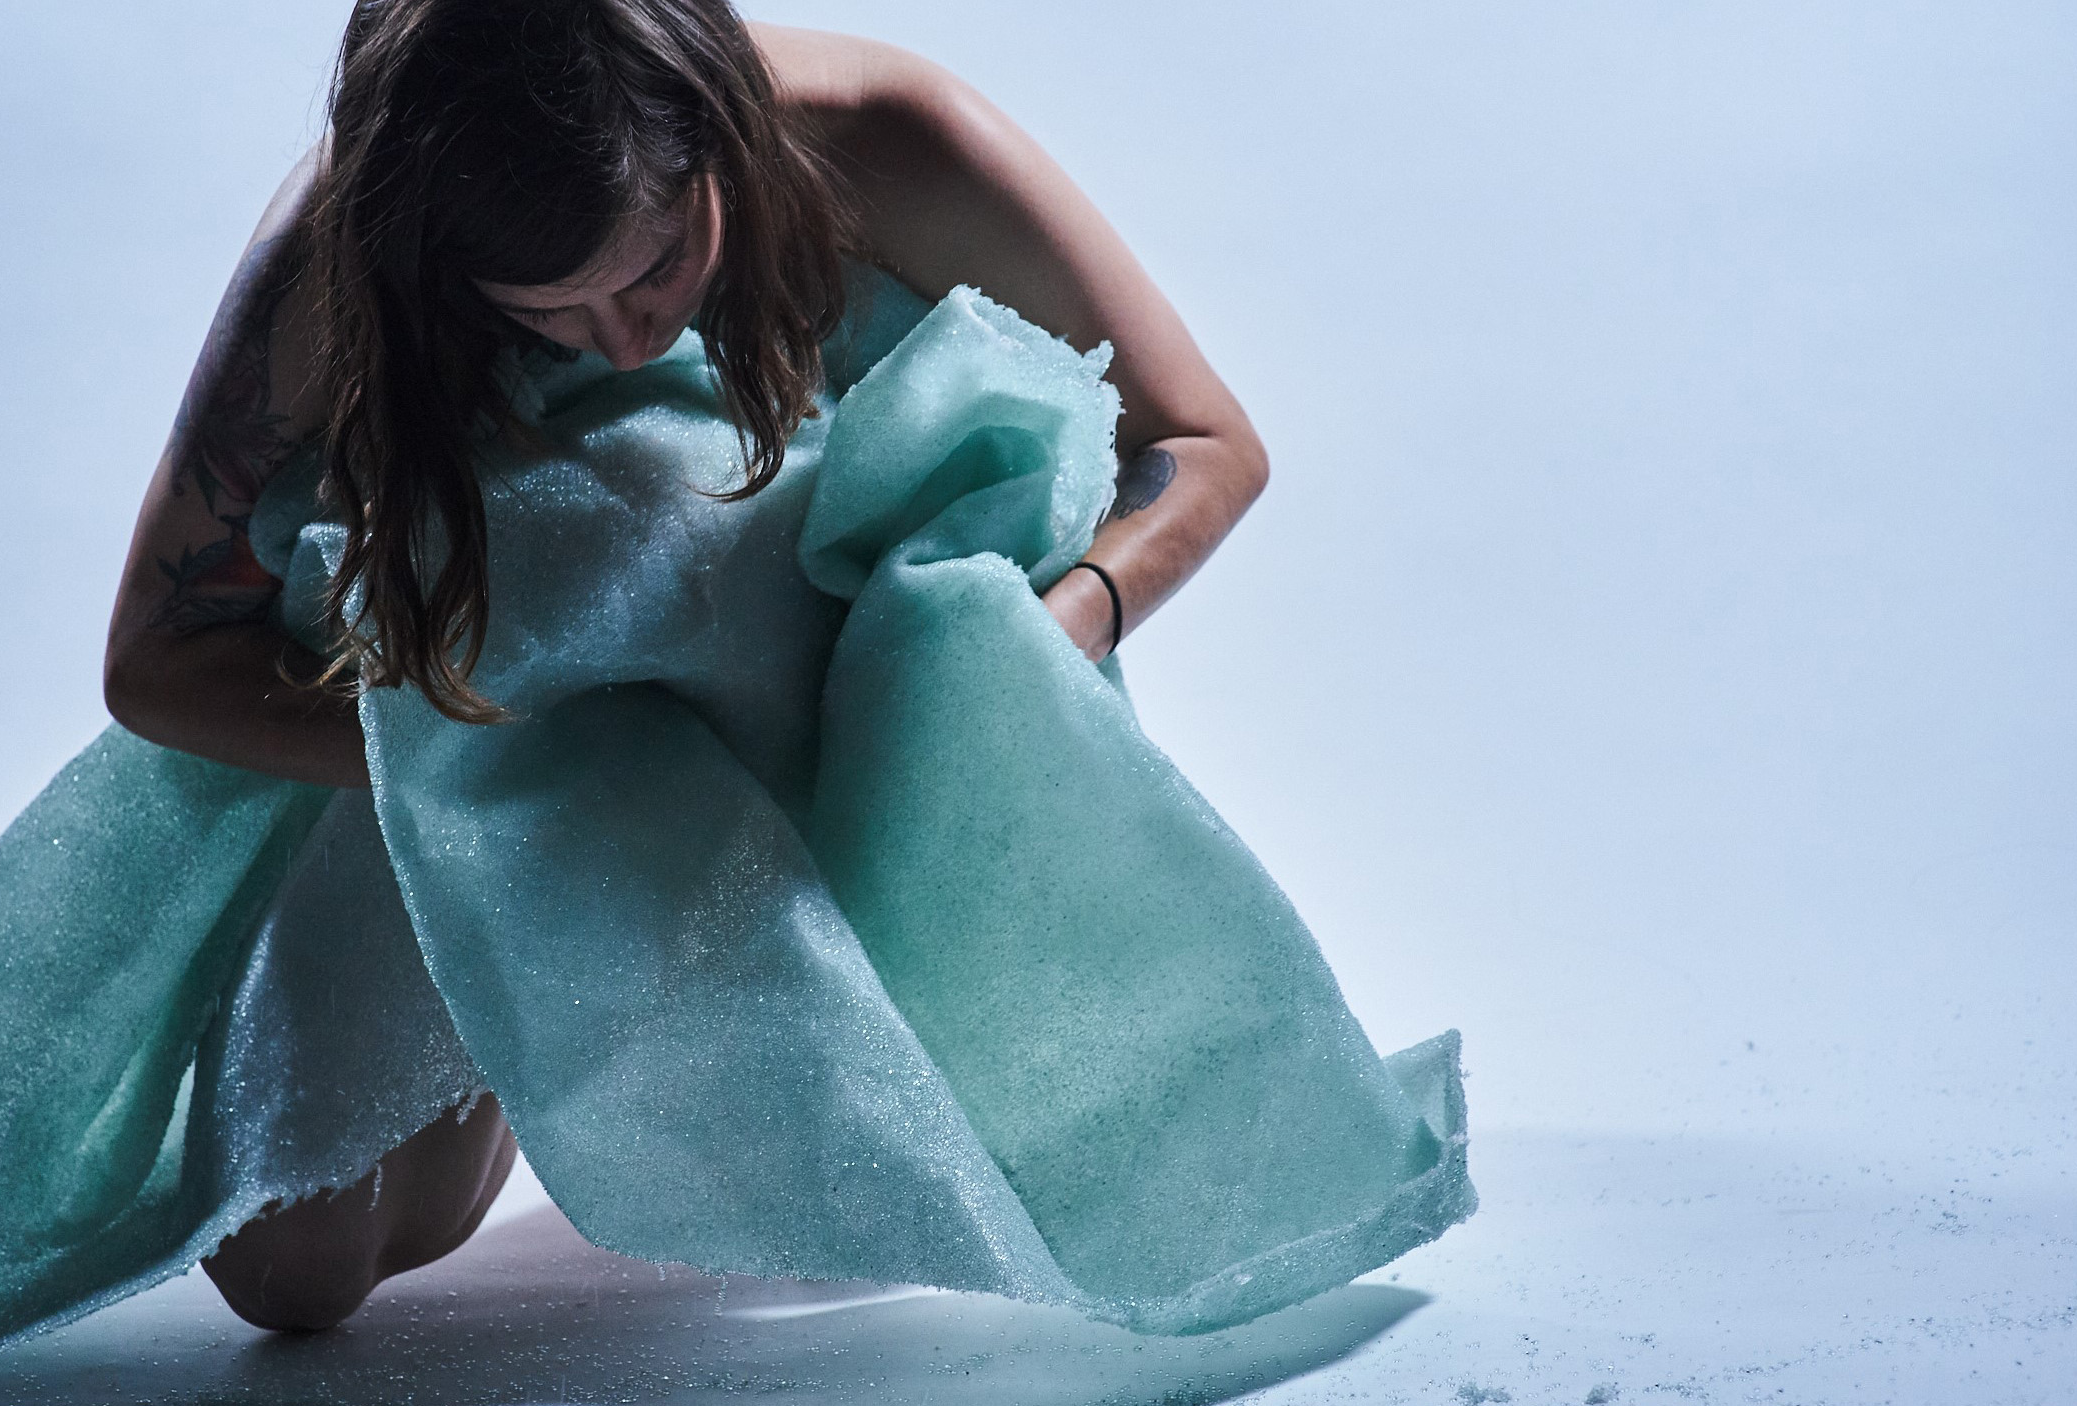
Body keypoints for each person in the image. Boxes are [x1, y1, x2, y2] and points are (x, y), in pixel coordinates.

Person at [98, 0, 1269, 1333]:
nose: (620, 335)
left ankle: (768, 1001)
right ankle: (557, 1026)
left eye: (655, 266)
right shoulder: (343, 254)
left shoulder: (891, 140)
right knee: (289, 1274)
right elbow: (152, 666)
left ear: (715, 122)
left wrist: (997, 669)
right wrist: (492, 785)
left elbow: (1207, 442)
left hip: (828, 745)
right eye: (550, 309)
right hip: (490, 738)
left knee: (1034, 1179)